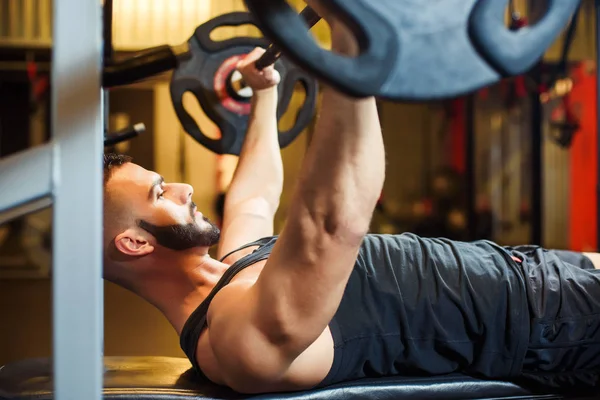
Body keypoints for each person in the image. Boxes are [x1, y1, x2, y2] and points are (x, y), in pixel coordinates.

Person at [102, 4, 600, 395]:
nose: (184, 189)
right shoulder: (233, 339)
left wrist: (265, 93)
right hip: (547, 323)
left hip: (533, 273)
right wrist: (351, 39)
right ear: (133, 243)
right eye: (159, 192)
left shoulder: (233, 271)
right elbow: (333, 224)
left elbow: (254, 197)